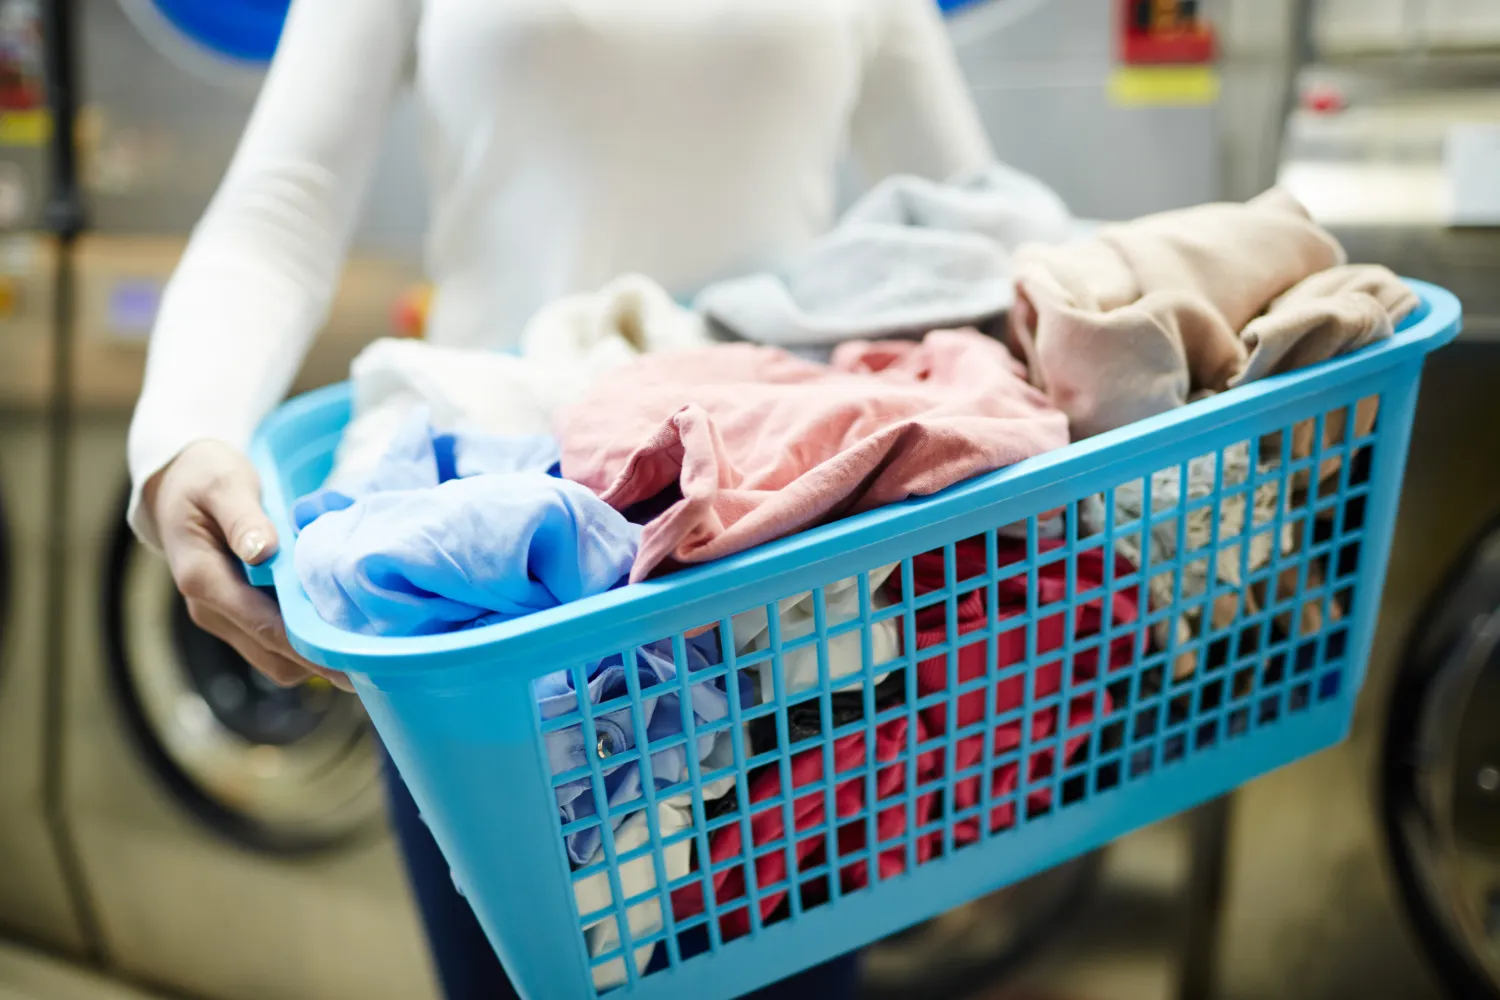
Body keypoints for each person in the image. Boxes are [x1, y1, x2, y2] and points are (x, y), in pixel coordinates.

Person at [127, 1, 995, 997]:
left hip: (790, 583)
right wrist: (183, 436)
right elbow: (285, 202)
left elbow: (969, 213)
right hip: (490, 590)